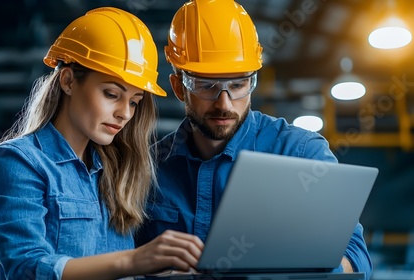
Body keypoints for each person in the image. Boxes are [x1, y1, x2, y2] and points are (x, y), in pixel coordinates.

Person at [134, 0, 373, 279]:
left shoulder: (299, 152)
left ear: (252, 82)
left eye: (237, 85)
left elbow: (356, 259)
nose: (224, 103)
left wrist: (301, 267)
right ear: (178, 87)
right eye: (207, 86)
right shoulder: (148, 169)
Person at [0, 7, 203, 280]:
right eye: (112, 94)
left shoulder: (113, 174)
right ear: (68, 81)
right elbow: (27, 269)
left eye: (134, 102)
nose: (125, 113)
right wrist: (134, 260)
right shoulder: (18, 163)